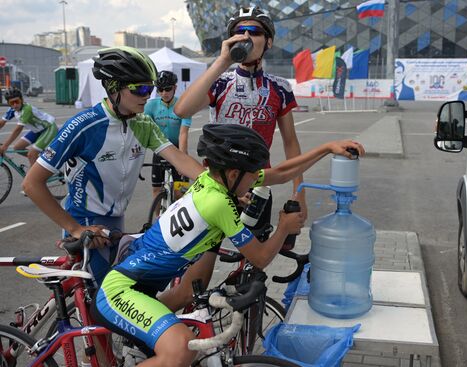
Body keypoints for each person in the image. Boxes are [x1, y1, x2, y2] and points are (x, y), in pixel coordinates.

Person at [91, 123, 365, 366]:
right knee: (180, 351)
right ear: (234, 174)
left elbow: (280, 173)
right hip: (120, 291)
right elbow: (260, 258)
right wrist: (283, 228)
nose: (257, 178)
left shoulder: (212, 181)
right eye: (253, 173)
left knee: (181, 343)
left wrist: (327, 148)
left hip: (140, 288)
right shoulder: (218, 202)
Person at [22, 46, 204, 285]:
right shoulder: (84, 125)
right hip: (86, 223)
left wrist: (222, 186)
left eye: (150, 88)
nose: (147, 95)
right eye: (140, 88)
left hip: (116, 221)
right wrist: (75, 229)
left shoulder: (143, 124)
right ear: (114, 88)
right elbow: (32, 184)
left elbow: (179, 158)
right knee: (105, 306)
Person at [174, 6, 307, 243]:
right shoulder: (220, 82)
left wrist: (300, 194)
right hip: (216, 186)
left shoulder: (280, 88)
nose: (245, 37)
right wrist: (222, 61)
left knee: (252, 271)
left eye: (254, 31)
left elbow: (291, 143)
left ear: (268, 42)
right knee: (200, 265)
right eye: (238, 31)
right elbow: (182, 109)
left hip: (258, 186)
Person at [144, 70, 192, 210]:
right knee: (156, 189)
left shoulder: (183, 105)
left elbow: (183, 134)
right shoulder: (151, 106)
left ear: (175, 88)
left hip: (178, 149)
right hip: (160, 149)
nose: (164, 93)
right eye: (160, 89)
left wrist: (182, 162)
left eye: (168, 89)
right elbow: (144, 130)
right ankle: (158, 220)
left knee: (180, 193)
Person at [0, 88, 57, 166]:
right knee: (18, 148)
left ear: (22, 100)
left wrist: (5, 146)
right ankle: (43, 163)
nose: (15, 105)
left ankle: (38, 175)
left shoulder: (27, 109)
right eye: (12, 103)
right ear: (8, 103)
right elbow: (1, 123)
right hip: (37, 131)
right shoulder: (12, 109)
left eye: (17, 101)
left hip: (49, 128)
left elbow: (18, 129)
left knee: (31, 154)